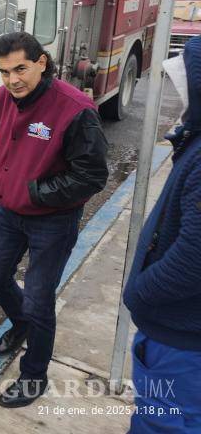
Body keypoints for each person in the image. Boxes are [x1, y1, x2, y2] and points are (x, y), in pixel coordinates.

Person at [0, 32, 108, 408]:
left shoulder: (75, 108)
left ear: (42, 62)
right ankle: (20, 324)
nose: (12, 79)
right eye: (4, 72)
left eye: (20, 68)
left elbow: (91, 176)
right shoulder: (4, 97)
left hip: (52, 220)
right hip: (9, 212)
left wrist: (37, 193)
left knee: (39, 301)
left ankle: (34, 374)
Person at [124, 37, 201, 432]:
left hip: (181, 342)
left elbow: (194, 259)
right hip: (181, 335)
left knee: (165, 423)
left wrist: (140, 292)